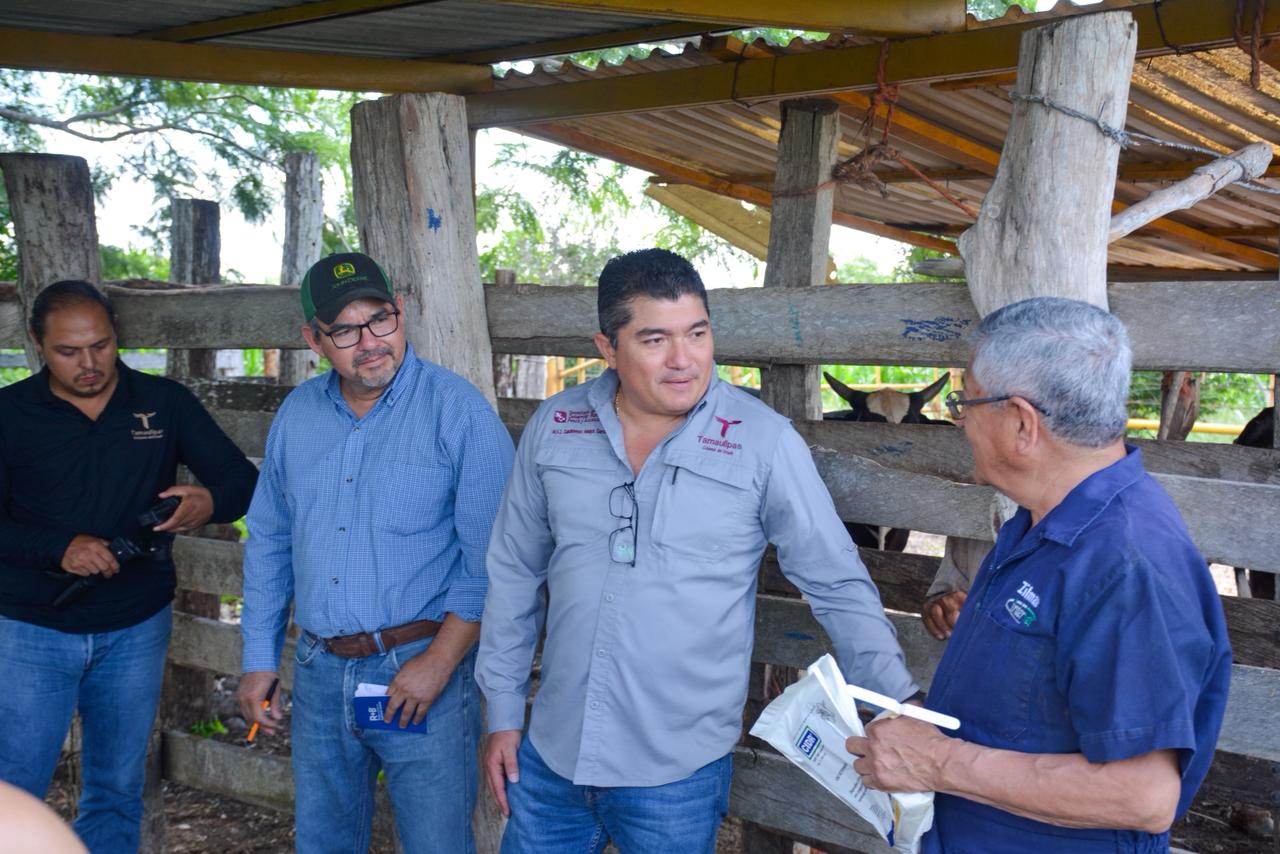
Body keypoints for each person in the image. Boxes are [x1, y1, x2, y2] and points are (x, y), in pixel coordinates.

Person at [477, 248, 917, 853]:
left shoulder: (762, 441)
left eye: (697, 333)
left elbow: (835, 579)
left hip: (676, 771)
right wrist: (503, 712)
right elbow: (514, 570)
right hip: (553, 753)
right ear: (607, 348)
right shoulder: (557, 425)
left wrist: (898, 704)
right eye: (655, 339)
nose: (683, 359)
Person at [847, 297, 1232, 853]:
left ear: (1022, 423)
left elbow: (1142, 795)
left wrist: (937, 762)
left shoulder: (1125, 563)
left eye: (965, 402)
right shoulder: (1041, 521)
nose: (959, 420)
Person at [237, 252, 514, 853]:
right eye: (344, 330)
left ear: (401, 312)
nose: (369, 342)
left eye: (379, 319)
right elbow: (270, 542)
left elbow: (494, 560)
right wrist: (259, 659)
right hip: (320, 668)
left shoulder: (456, 411)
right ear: (313, 339)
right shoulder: (298, 415)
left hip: (418, 673)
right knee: (323, 842)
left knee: (436, 845)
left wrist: (438, 664)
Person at [0, 280, 258, 852]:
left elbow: (240, 480)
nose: (89, 363)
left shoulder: (163, 402)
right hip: (30, 629)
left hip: (135, 625)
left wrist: (211, 502)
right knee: (12, 792)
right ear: (37, 344)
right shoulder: (9, 414)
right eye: (68, 351)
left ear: (116, 334)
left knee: (117, 789)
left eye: (101, 345)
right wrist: (58, 547)